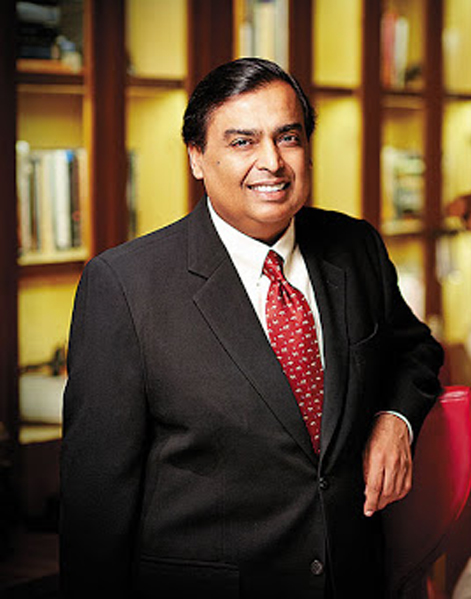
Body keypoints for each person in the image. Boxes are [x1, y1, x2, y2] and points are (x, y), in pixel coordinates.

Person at [60, 57, 444, 598]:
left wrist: (395, 419)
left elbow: (414, 351)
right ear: (197, 157)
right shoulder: (125, 286)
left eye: (288, 138)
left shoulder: (354, 247)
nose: (272, 162)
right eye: (243, 142)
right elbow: (96, 503)